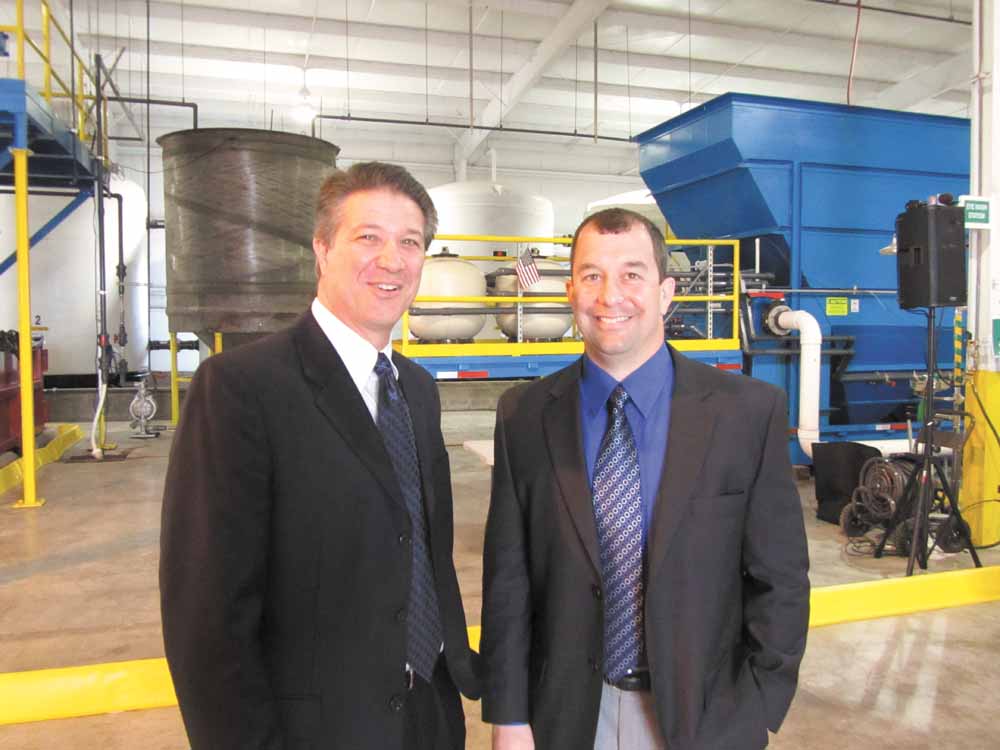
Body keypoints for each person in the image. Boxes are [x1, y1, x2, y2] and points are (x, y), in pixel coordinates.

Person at [160, 161, 480, 750]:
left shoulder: (416, 389)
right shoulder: (241, 389)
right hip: (318, 730)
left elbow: (422, 549)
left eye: (410, 242)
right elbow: (207, 616)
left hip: (430, 714)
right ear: (322, 249)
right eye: (368, 237)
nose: (392, 260)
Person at [481, 208, 810, 750]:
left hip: (703, 718)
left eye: (632, 274)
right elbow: (508, 582)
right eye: (592, 275)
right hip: (564, 716)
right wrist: (509, 716)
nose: (610, 296)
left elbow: (781, 578)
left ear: (665, 293)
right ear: (571, 292)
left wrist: (756, 706)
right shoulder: (524, 415)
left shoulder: (746, 413)